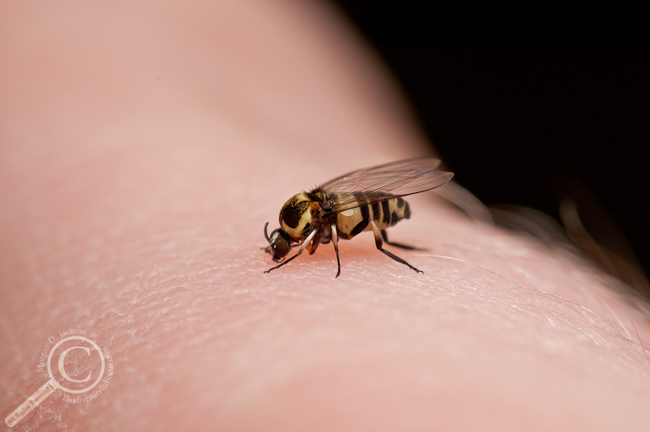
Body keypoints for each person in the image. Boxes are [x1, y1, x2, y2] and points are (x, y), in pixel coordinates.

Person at [1, 1, 649, 430]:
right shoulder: (305, 213)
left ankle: (389, 247)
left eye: (291, 236)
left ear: (301, 223)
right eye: (291, 237)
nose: (291, 240)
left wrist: (350, 252)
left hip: (379, 197)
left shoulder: (322, 217)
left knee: (368, 219)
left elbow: (367, 201)